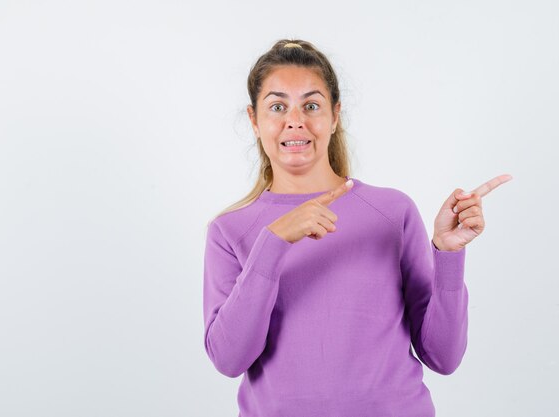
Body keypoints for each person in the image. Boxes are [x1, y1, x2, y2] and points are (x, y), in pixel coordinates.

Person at [202, 39, 512, 417]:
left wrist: (448, 252)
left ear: (335, 116)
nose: (295, 120)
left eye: (311, 105)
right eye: (278, 106)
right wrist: (274, 241)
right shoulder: (230, 230)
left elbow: (443, 357)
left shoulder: (391, 212)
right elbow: (229, 359)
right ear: (254, 119)